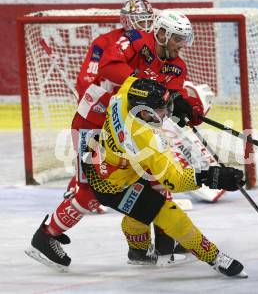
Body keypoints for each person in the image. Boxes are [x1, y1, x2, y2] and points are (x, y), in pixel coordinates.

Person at [25, 0, 201, 269]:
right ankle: (46, 236)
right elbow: (108, 67)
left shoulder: (176, 66)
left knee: (155, 176)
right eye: (177, 38)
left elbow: (169, 99)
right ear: (162, 33)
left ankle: (163, 245)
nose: (181, 45)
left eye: (184, 40)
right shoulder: (134, 42)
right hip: (92, 123)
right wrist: (144, 85)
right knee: (90, 190)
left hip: (125, 131)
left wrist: (189, 109)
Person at [84, 76, 247, 277]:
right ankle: (214, 257)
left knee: (146, 206)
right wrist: (213, 177)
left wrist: (175, 98)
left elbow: (137, 76)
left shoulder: (126, 92)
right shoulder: (147, 140)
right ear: (145, 111)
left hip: (105, 162)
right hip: (112, 187)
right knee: (170, 215)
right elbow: (176, 181)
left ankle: (138, 253)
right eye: (163, 108)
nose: (167, 113)